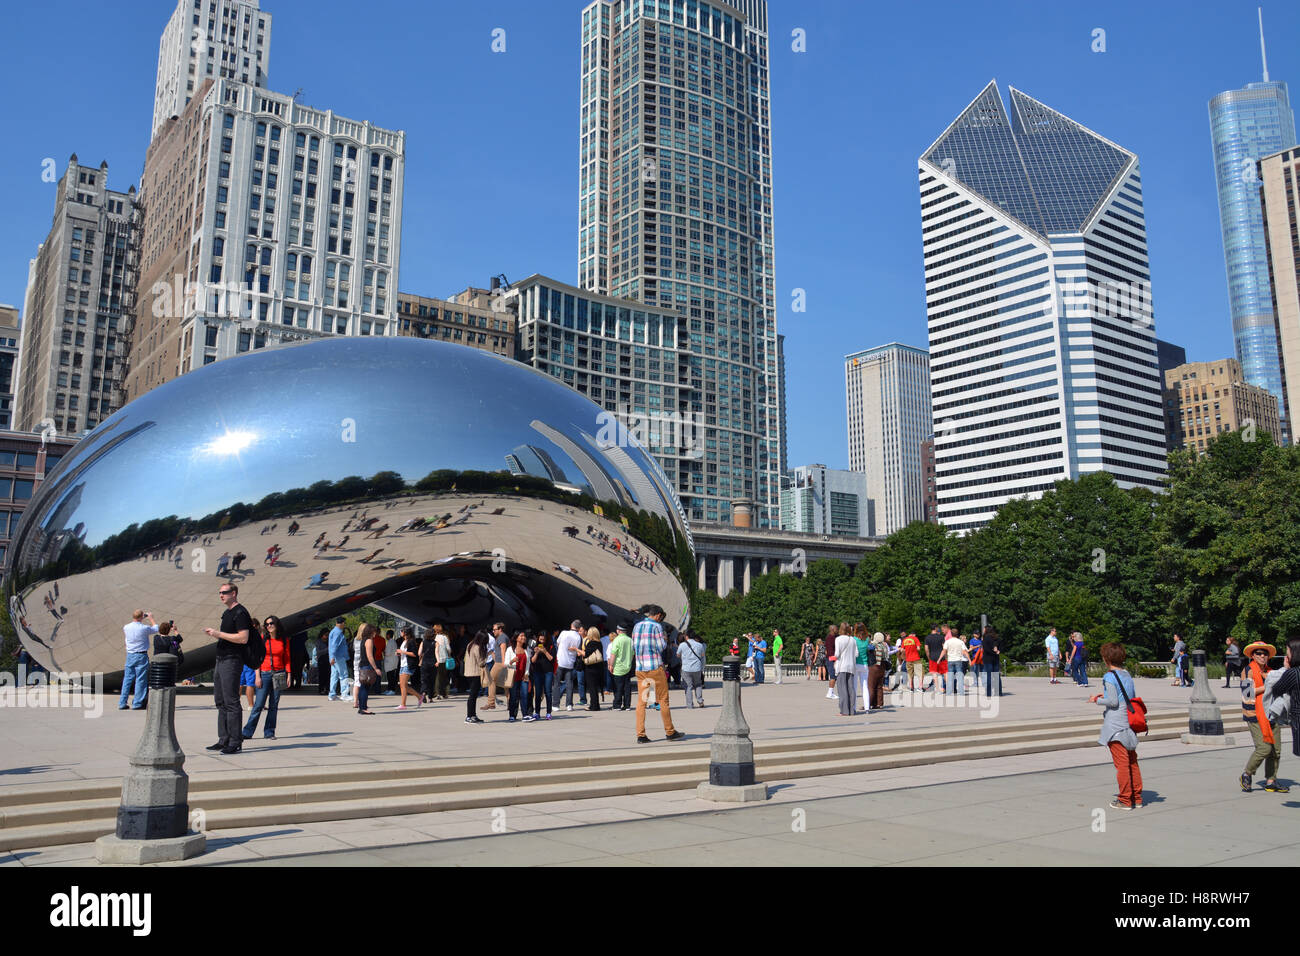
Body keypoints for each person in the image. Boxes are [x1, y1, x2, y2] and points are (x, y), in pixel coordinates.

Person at [1090, 642, 1143, 810]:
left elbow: (1112, 701)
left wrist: (1097, 700)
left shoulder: (1109, 676)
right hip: (1129, 723)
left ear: (1106, 659)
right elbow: (1127, 697)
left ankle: (1125, 800)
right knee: (1132, 762)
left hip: (1116, 725)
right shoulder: (1127, 674)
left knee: (1121, 764)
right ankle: (1137, 797)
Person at [203, 582, 252, 755]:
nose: (221, 595)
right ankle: (223, 739)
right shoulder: (227, 613)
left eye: (224, 592)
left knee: (231, 701)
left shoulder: (240, 613)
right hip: (221, 659)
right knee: (220, 700)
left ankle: (235, 741)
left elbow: (243, 638)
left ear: (234, 593)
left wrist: (218, 634)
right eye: (220, 592)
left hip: (232, 660)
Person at [633, 606, 684, 743]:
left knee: (642, 701)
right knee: (663, 700)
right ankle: (670, 731)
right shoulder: (657, 627)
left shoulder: (637, 626)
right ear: (658, 615)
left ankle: (641, 735)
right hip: (655, 668)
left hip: (641, 670)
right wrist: (665, 638)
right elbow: (661, 647)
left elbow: (634, 646)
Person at [1240, 641, 1286, 793]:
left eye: (1265, 653)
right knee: (1264, 748)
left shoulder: (1271, 672)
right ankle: (1247, 774)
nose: (1262, 656)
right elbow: (1247, 694)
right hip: (1255, 714)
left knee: (1275, 750)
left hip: (1272, 713)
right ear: (1252, 655)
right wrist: (1268, 686)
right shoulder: (1248, 670)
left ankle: (1271, 780)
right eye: (1258, 653)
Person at [242, 614, 290, 740]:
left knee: (274, 705)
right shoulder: (263, 639)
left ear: (277, 624)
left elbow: (287, 659)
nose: (269, 626)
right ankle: (247, 732)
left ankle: (269, 732)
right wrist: (257, 676)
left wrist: (289, 675)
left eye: (271, 623)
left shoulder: (284, 640)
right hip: (264, 673)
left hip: (279, 673)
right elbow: (258, 658)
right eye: (267, 624)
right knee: (258, 705)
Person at [1264, 637, 1300, 762]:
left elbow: (1277, 689)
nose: (1286, 655)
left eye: (1288, 651)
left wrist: (1285, 668)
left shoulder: (1293, 673)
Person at [119, 609, 157, 711]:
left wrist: (141, 618)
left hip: (130, 655)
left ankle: (122, 702)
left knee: (127, 679)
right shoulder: (144, 628)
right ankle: (137, 703)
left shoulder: (126, 627)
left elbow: (135, 624)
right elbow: (156, 628)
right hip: (141, 655)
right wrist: (151, 618)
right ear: (141, 617)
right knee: (140, 679)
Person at [354, 623, 382, 716]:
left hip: (363, 665)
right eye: (374, 631)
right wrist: (376, 668)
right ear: (371, 631)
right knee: (365, 688)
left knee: (363, 687)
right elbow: (370, 656)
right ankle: (363, 708)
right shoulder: (369, 641)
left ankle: (362, 707)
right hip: (367, 666)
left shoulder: (363, 640)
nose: (375, 633)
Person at [555, 620, 583, 712]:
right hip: (570, 663)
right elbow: (578, 649)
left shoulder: (563, 633)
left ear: (571, 625)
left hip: (560, 661)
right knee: (569, 684)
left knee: (557, 684)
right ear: (579, 628)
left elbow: (558, 643)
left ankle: (556, 705)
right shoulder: (579, 637)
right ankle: (569, 705)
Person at [464, 630, 488, 724]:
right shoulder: (477, 647)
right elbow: (481, 662)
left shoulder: (470, 644)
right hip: (475, 673)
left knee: (472, 696)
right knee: (473, 696)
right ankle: (469, 716)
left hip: (469, 673)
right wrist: (487, 655)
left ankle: (472, 715)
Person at [833, 626, 858, 716]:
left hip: (842, 666)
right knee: (851, 689)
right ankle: (852, 710)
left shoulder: (838, 639)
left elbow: (837, 654)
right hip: (851, 666)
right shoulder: (853, 640)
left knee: (842, 689)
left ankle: (844, 711)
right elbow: (856, 654)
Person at [508, 631, 532, 721]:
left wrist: (527, 673)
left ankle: (525, 715)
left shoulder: (527, 650)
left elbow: (528, 663)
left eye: (524, 636)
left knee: (524, 695)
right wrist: (512, 661)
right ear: (516, 638)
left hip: (523, 677)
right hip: (514, 676)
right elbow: (506, 663)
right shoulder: (510, 649)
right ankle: (512, 715)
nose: (524, 637)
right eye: (521, 636)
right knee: (513, 696)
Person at [531, 632, 556, 719]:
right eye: (540, 639)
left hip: (548, 672)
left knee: (548, 692)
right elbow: (532, 661)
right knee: (538, 693)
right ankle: (537, 712)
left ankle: (548, 712)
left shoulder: (551, 647)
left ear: (546, 639)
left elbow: (551, 659)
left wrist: (545, 651)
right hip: (538, 672)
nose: (541, 641)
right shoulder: (535, 646)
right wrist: (536, 653)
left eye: (543, 640)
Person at [395, 627, 422, 710]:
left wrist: (402, 652)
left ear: (405, 632)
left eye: (402, 631)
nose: (401, 632)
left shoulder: (411, 642)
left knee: (403, 685)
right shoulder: (404, 641)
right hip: (403, 664)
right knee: (403, 685)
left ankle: (403, 704)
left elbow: (414, 654)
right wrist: (400, 654)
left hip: (408, 665)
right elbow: (405, 653)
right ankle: (419, 696)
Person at [679, 630, 706, 707]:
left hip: (686, 668)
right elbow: (702, 656)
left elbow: (678, 654)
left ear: (686, 636)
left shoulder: (682, 645)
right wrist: (702, 667)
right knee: (698, 684)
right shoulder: (700, 645)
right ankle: (700, 701)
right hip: (697, 668)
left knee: (688, 686)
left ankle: (690, 704)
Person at [582, 626, 605, 711]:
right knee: (595, 687)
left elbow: (586, 654)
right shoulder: (599, 643)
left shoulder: (591, 643)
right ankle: (595, 705)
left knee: (592, 688)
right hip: (598, 668)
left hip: (591, 668)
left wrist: (577, 650)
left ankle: (594, 706)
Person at [327, 617, 349, 700]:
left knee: (334, 676)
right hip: (339, 657)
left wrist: (331, 657)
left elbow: (332, 645)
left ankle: (332, 694)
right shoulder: (338, 632)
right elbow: (334, 645)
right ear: (342, 623)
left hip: (334, 658)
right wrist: (332, 657)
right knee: (343, 675)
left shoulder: (333, 631)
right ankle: (344, 694)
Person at [943, 626, 970, 695]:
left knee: (950, 677)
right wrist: (969, 660)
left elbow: (944, 651)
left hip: (950, 661)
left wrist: (945, 658)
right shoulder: (960, 642)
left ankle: (949, 692)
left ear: (951, 634)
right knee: (960, 677)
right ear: (957, 634)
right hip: (958, 661)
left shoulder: (947, 641)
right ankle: (961, 692)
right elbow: (964, 651)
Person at [867, 630, 889, 710]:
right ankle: (879, 704)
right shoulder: (884, 645)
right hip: (882, 667)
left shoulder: (873, 645)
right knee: (879, 686)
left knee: (871, 686)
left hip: (874, 666)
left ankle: (869, 704)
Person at [981, 626, 1003, 697]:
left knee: (989, 676)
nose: (983, 630)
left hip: (988, 659)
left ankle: (989, 693)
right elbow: (1000, 643)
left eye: (984, 629)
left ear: (986, 630)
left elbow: (986, 649)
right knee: (996, 675)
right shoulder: (996, 637)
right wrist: (998, 651)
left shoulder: (985, 638)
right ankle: (998, 692)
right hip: (995, 658)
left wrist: (993, 652)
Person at [924, 626, 946, 693]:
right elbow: (944, 647)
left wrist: (928, 657)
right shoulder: (941, 637)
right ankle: (948, 688)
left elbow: (926, 649)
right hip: (941, 657)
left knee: (934, 674)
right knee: (945, 673)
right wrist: (946, 656)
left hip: (932, 657)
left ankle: (937, 690)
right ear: (936, 629)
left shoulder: (927, 638)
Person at [824, 625, 839, 700]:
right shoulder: (830, 638)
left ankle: (831, 692)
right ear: (832, 629)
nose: (837, 629)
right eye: (836, 628)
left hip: (833, 658)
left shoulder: (835, 637)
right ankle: (829, 693)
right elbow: (830, 652)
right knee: (833, 676)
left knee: (834, 676)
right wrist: (835, 659)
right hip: (831, 659)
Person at [315, 629, 331, 696]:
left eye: (328, 635)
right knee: (322, 676)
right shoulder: (319, 642)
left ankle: (327, 689)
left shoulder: (329, 642)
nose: (327, 637)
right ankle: (321, 689)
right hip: (321, 661)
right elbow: (319, 652)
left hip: (328, 661)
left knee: (328, 676)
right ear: (322, 635)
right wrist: (327, 649)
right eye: (326, 635)